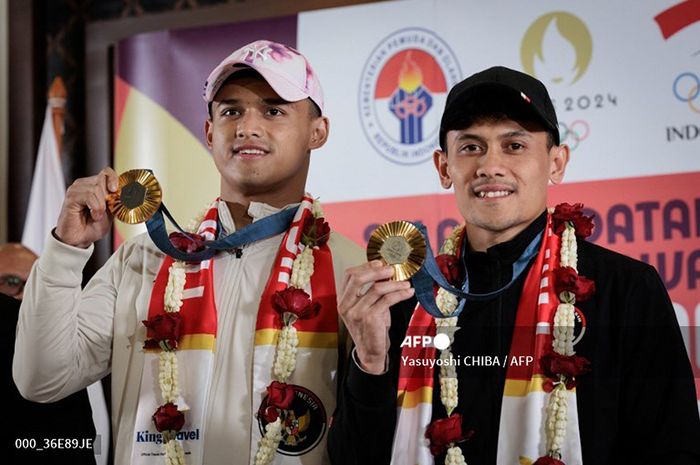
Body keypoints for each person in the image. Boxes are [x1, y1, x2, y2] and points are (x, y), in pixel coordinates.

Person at [14, 40, 364, 465]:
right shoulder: (142, 260)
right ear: (209, 131)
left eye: (274, 110)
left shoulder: (353, 270)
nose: (247, 127)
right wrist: (67, 249)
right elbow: (42, 378)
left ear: (317, 131)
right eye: (231, 110)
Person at [329, 67, 700, 465]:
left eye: (515, 146)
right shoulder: (408, 300)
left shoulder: (624, 289)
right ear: (443, 167)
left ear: (556, 163)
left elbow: (672, 451)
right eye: (471, 147)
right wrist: (369, 362)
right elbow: (353, 457)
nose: (490, 165)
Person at [1, 243, 96, 464]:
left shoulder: (103, 335)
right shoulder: (13, 326)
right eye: (11, 283)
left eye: (37, 284)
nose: (28, 295)